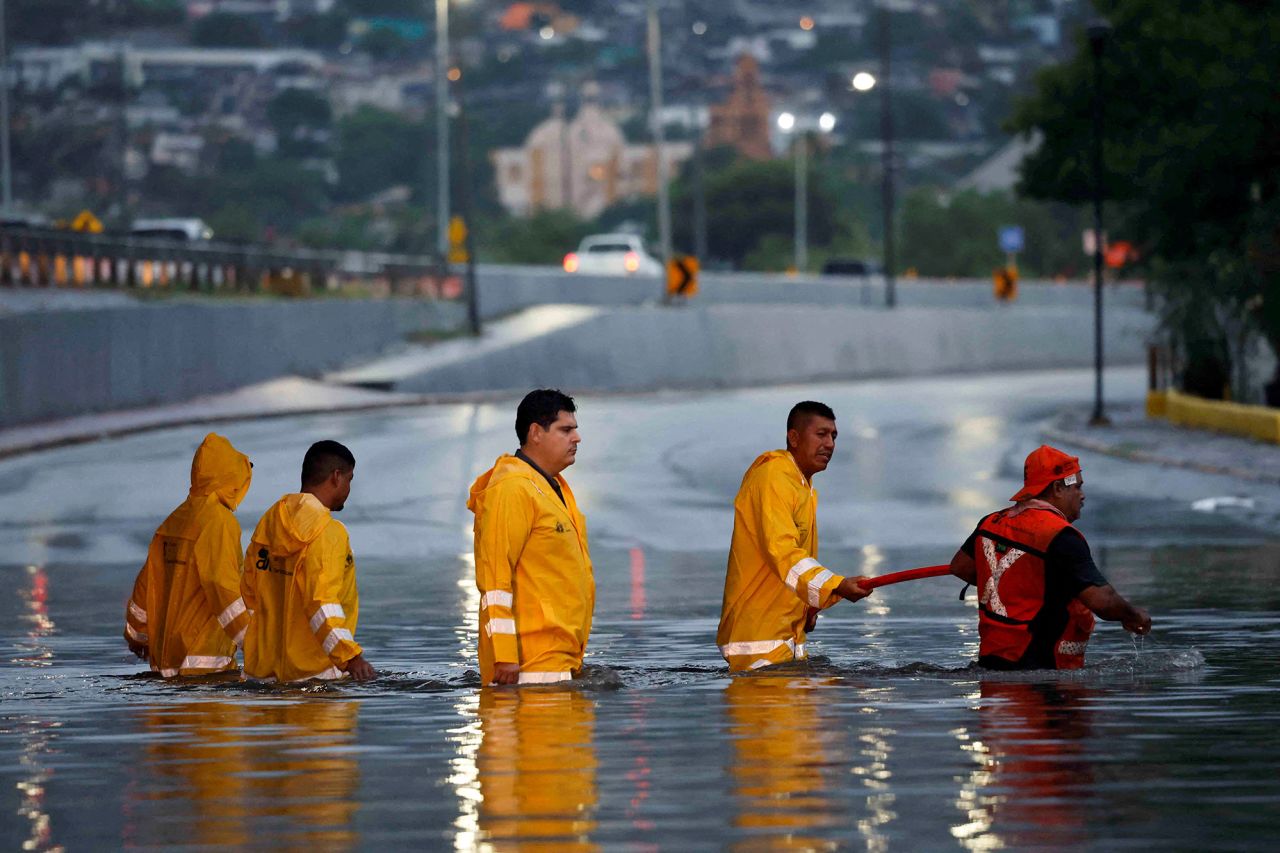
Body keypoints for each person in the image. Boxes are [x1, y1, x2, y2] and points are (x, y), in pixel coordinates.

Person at [948, 445, 1151, 670]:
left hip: (992, 660)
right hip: (1043, 671)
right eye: (1077, 487)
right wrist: (1133, 615)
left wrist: (1017, 585)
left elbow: (960, 567)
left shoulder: (991, 523)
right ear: (1057, 488)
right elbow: (1103, 601)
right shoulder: (1060, 536)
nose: (1082, 495)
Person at [717, 401, 872, 671]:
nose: (830, 444)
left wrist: (808, 607)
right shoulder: (773, 478)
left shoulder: (802, 487)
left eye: (834, 436)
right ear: (794, 438)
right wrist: (834, 586)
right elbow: (783, 554)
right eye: (821, 434)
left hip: (782, 636)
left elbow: (792, 566)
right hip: (760, 641)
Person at [468, 389, 594, 686]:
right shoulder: (512, 489)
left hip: (556, 659)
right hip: (527, 668)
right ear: (536, 433)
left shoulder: (551, 486)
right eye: (566, 430)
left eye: (575, 429)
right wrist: (505, 657)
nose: (577, 438)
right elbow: (495, 578)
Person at [241, 440, 375, 682]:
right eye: (349, 479)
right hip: (314, 677)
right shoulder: (328, 532)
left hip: (261, 676)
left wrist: (255, 650)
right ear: (336, 477)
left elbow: (248, 593)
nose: (349, 488)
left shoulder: (270, 522)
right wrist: (350, 658)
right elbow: (322, 603)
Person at [124, 433, 253, 677]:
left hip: (164, 664)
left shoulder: (174, 521)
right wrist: (254, 644)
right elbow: (221, 587)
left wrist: (138, 636)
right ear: (233, 479)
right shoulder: (219, 522)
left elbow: (145, 585)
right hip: (207, 674)